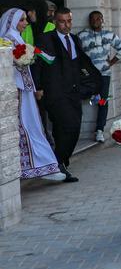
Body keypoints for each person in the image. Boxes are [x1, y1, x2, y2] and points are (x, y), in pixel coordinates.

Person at [32, 7, 100, 181]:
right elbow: (37, 64)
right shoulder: (45, 39)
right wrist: (38, 87)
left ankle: (59, 163)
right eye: (62, 21)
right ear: (55, 22)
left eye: (69, 21)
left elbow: (79, 64)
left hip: (73, 92)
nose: (66, 25)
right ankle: (58, 164)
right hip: (55, 92)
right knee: (67, 126)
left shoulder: (75, 39)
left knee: (74, 128)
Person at [0, 9, 65, 182]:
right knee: (26, 126)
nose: (25, 23)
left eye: (25, 20)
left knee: (33, 126)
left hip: (25, 90)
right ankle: (37, 166)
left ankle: (44, 165)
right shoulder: (6, 40)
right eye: (21, 20)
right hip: (17, 91)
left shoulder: (18, 38)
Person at [78, 10, 121, 143]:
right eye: (93, 19)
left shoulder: (109, 35)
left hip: (104, 74)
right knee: (83, 98)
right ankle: (78, 127)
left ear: (102, 20)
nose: (95, 21)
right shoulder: (82, 35)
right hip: (88, 76)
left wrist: (111, 62)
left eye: (98, 18)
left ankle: (99, 130)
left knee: (103, 101)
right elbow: (75, 52)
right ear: (89, 21)